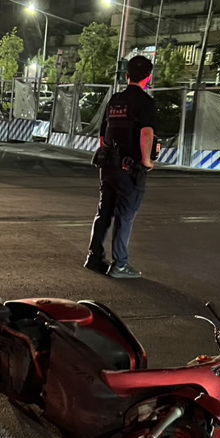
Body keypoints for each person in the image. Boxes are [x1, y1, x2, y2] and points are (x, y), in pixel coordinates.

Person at [85, 55, 158, 279]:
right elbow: (146, 133)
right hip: (130, 168)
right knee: (125, 216)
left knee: (104, 212)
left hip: (108, 166)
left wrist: (110, 156)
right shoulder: (146, 103)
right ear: (148, 77)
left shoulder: (115, 100)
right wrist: (146, 161)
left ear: (127, 76)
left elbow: (102, 136)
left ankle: (94, 257)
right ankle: (120, 265)